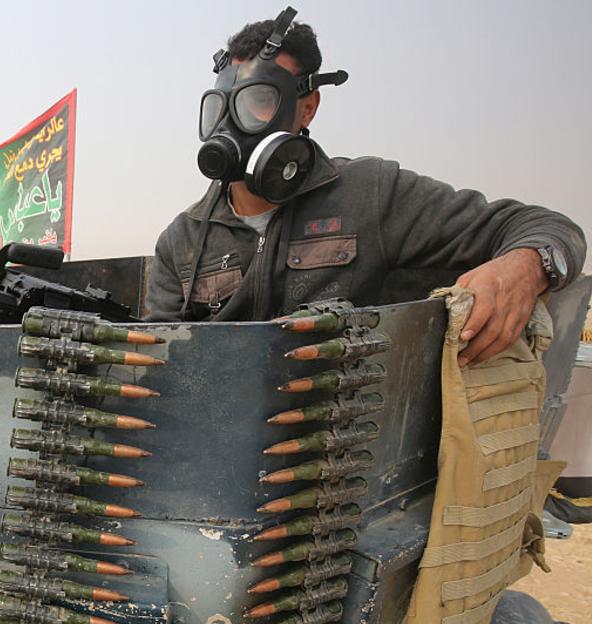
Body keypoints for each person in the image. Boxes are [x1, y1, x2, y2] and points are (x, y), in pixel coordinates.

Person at [144, 7, 586, 366]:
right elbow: (157, 366)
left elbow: (547, 226)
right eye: (222, 107)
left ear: (307, 108)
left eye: (258, 102)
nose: (232, 126)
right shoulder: (181, 241)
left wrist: (523, 269)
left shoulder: (370, 193)